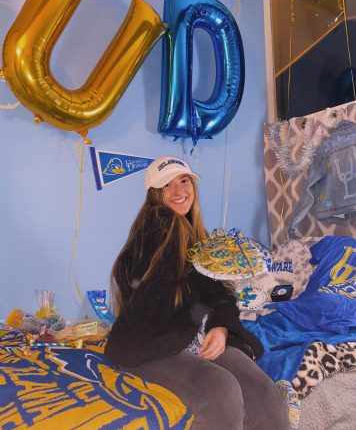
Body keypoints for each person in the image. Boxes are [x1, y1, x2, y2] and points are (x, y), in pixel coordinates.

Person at [105, 155, 290, 430]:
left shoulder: (195, 237)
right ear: (155, 195)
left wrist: (221, 327)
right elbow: (166, 292)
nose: (179, 191)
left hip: (194, 337)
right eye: (167, 186)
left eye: (184, 181)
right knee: (221, 389)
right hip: (152, 344)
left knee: (265, 394)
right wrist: (211, 278)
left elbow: (221, 293)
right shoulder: (160, 223)